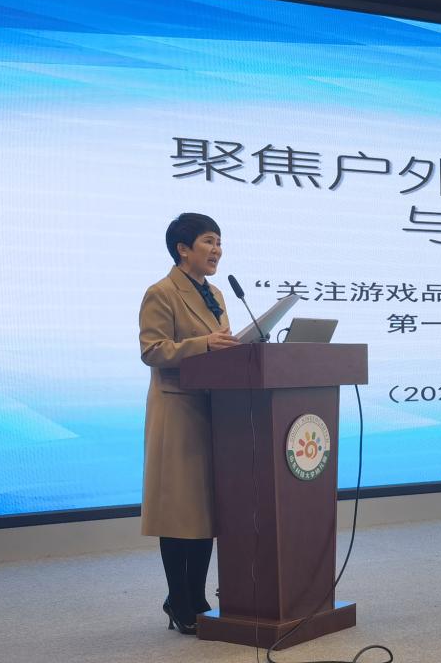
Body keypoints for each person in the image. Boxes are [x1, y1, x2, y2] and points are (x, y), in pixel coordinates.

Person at [138, 213, 239, 634]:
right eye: (209, 241)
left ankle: (195, 596)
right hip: (177, 411)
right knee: (179, 511)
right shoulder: (161, 292)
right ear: (183, 248)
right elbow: (152, 350)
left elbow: (223, 348)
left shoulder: (215, 293)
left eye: (219, 242)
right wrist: (205, 344)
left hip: (215, 410)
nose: (217, 250)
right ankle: (180, 599)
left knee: (204, 510)